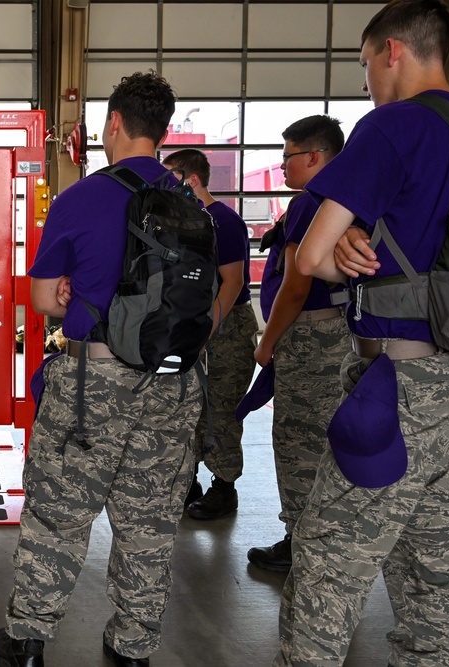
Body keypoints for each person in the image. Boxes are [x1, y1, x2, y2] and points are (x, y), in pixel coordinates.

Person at [279, 2, 449, 665]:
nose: (367, 79)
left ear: (393, 51)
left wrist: (336, 245)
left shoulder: (395, 125)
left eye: (365, 63)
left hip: (397, 380)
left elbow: (308, 257)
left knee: (326, 557)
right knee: (431, 559)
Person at [0, 71, 205, 667]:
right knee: (150, 521)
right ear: (161, 131)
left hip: (96, 381)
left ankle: (27, 642)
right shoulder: (192, 204)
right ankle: (131, 648)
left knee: (58, 514)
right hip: (174, 382)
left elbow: (40, 299)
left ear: (113, 123)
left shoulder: (79, 199)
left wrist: (72, 295)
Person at [246, 115, 349, 572]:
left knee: (297, 438)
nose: (282, 166)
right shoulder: (346, 199)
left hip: (309, 337)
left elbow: (295, 284)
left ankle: (302, 542)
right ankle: (321, 536)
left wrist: (268, 341)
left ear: (314, 156)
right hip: (338, 334)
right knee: (324, 435)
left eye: (287, 156)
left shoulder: (311, 203)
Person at [162, 148, 258, 521]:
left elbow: (232, 283)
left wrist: (207, 331)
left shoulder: (223, 221)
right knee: (190, 408)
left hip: (226, 325)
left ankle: (224, 488)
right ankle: (191, 483)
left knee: (221, 409)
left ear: (193, 180)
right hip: (196, 323)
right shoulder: (186, 221)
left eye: (172, 179)